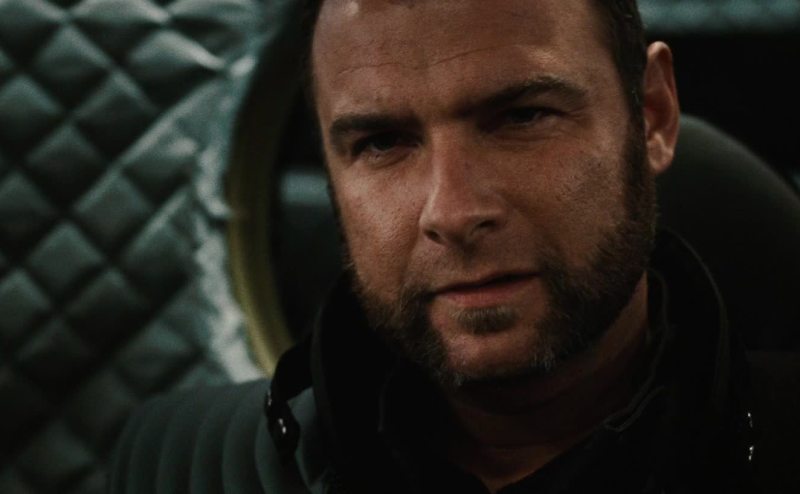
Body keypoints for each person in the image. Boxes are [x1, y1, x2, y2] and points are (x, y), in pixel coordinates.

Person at [109, 1, 800, 493]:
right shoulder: (185, 464)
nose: (453, 212)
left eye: (522, 117)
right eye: (382, 142)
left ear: (652, 115)